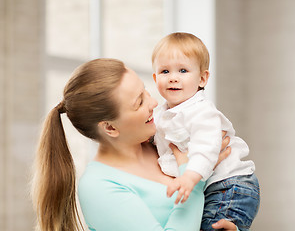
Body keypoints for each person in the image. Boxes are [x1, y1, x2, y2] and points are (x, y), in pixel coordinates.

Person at [31, 58, 237, 231]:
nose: (154, 103)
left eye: (145, 91)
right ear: (110, 128)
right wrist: (194, 179)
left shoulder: (165, 142)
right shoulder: (99, 187)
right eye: (139, 102)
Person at [152, 32, 260, 231]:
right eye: (165, 72)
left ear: (202, 78)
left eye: (183, 70)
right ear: (155, 77)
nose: (173, 78)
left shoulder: (201, 112)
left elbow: (206, 147)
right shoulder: (160, 114)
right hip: (213, 187)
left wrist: (189, 177)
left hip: (230, 186)